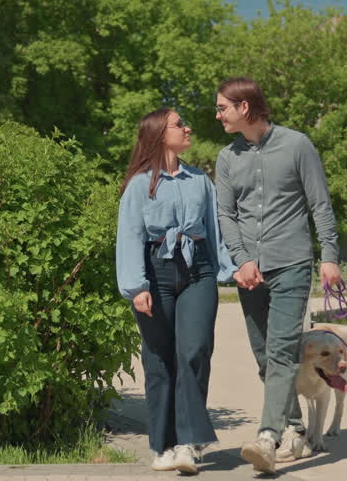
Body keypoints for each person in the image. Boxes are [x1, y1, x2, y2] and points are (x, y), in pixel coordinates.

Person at [213, 77, 342, 473]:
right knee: (264, 356)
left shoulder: (297, 144)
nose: (217, 115)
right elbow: (226, 215)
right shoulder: (226, 158)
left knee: (283, 348)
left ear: (244, 108)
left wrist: (330, 256)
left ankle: (268, 435)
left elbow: (319, 203)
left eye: (222, 108)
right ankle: (295, 430)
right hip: (250, 272)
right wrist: (241, 259)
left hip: (291, 264)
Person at [116, 108, 237, 474]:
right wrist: (137, 285)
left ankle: (189, 443)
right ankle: (163, 445)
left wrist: (231, 269)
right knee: (159, 360)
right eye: (179, 124)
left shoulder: (200, 180)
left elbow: (215, 229)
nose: (188, 128)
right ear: (157, 134)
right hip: (155, 274)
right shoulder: (139, 185)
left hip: (198, 270)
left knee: (195, 350)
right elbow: (130, 236)